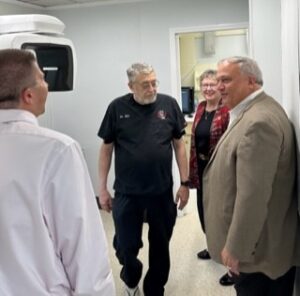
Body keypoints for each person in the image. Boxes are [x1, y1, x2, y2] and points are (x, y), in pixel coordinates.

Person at [0, 49, 115, 296]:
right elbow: (84, 251)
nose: (47, 85)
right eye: (42, 78)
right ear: (28, 95)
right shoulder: (57, 151)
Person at [203, 56, 300, 296]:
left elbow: (253, 196)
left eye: (226, 80)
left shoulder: (259, 122)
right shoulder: (251, 112)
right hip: (260, 248)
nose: (218, 87)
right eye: (217, 80)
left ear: (251, 81)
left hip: (259, 254)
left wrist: (237, 247)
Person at [98, 62, 189, 296]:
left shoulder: (169, 104)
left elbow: (179, 145)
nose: (152, 88)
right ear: (131, 86)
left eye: (154, 82)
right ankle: (131, 277)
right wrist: (102, 189)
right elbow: (106, 149)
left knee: (161, 246)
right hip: (127, 193)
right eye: (145, 84)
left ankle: (154, 288)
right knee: (126, 247)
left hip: (161, 192)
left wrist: (185, 183)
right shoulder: (116, 108)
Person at [188, 69, 232, 286]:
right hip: (201, 169)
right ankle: (213, 246)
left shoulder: (227, 111)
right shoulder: (201, 108)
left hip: (220, 171)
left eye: (211, 85)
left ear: (219, 87)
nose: (207, 89)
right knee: (204, 211)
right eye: (204, 85)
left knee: (223, 215)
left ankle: (233, 267)